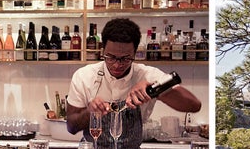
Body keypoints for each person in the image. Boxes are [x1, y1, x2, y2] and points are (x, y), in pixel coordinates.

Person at [66, 18, 201, 149]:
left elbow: (194, 105)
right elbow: (71, 127)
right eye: (111, 57)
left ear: (135, 53)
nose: (117, 65)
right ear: (102, 51)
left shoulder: (147, 74)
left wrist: (155, 89)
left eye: (125, 59)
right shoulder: (84, 76)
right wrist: (90, 112)